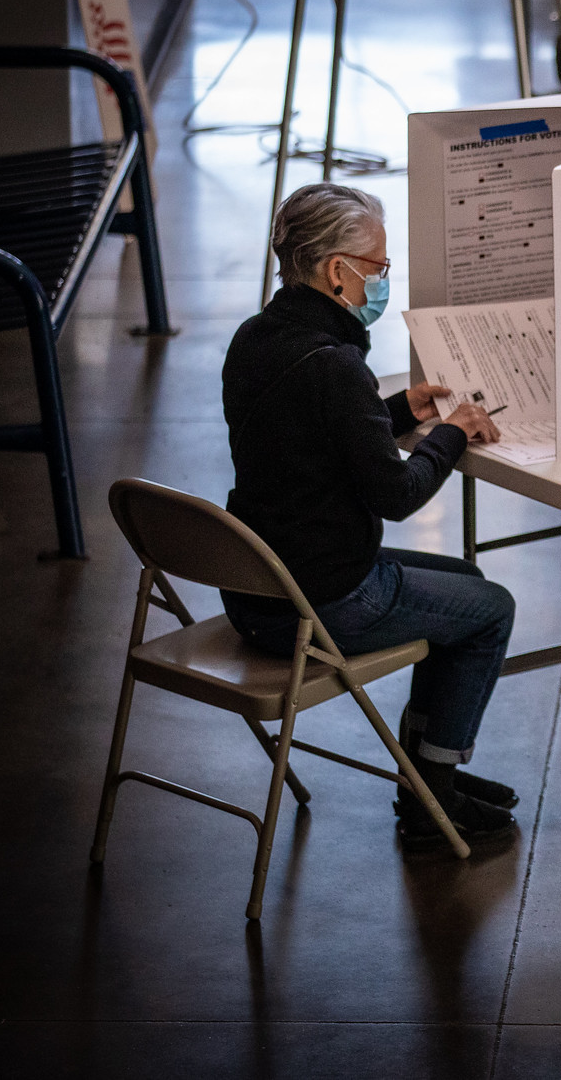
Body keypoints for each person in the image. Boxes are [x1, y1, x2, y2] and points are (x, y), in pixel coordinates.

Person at [220, 184, 518, 856]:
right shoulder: (336, 365)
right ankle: (430, 798)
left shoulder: (255, 340)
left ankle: (426, 778)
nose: (380, 280)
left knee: (462, 581)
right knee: (490, 608)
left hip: (255, 590)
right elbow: (398, 492)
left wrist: (403, 412)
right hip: (323, 600)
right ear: (336, 271)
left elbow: (314, 441)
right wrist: (454, 432)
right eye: (376, 267)